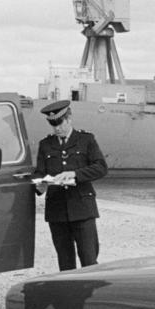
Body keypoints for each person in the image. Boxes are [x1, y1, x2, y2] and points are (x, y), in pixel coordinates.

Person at [34, 100, 108, 270]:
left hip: (82, 209)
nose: (56, 128)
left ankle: (89, 295)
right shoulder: (45, 145)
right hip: (57, 211)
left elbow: (101, 168)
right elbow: (39, 172)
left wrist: (75, 174)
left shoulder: (86, 140)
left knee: (89, 262)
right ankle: (69, 296)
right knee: (65, 263)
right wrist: (39, 185)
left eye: (59, 123)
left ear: (69, 119)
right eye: (53, 125)